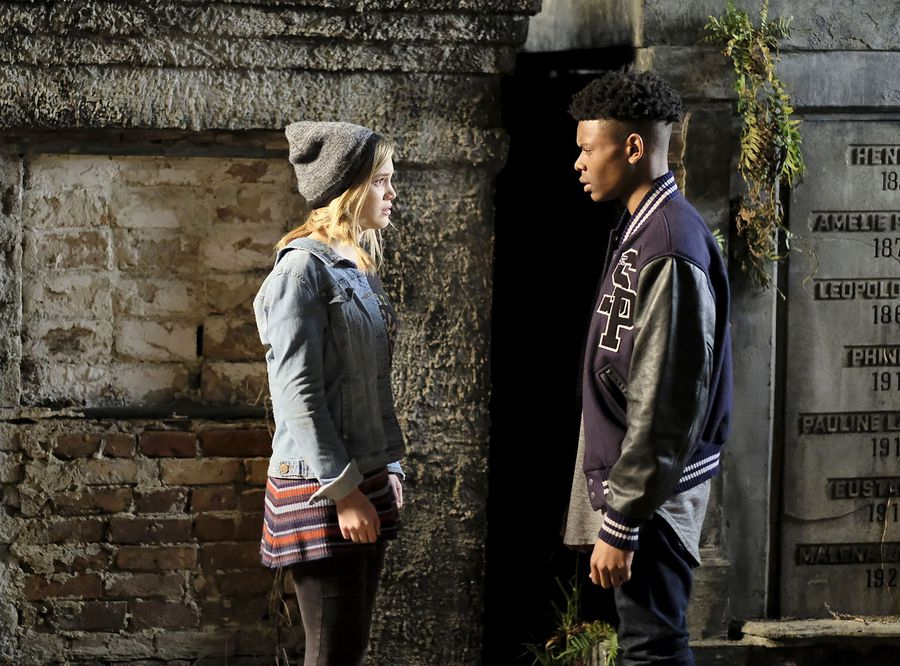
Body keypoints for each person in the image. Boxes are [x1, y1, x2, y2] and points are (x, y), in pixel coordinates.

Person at [561, 69, 734, 665]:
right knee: (647, 642)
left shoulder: (669, 242)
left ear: (633, 147)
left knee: (652, 646)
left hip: (654, 493)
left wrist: (623, 518)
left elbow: (666, 397)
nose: (579, 163)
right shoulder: (646, 228)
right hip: (640, 486)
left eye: (589, 149)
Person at [253, 121, 405, 666]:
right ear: (349, 188)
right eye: (381, 181)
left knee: (349, 650)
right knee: (331, 654)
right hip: (322, 487)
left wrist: (388, 468)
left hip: (363, 477)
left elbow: (369, 382)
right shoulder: (300, 272)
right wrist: (344, 491)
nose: (392, 193)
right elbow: (297, 395)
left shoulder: (354, 264)